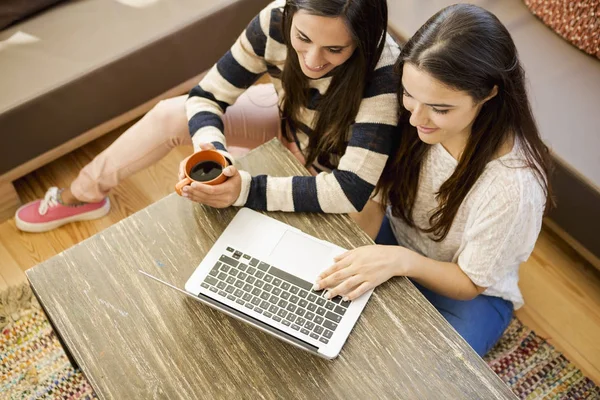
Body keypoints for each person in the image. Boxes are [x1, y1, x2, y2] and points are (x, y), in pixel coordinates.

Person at [15, 0, 400, 232]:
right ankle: (80, 196)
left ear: (363, 40)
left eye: (334, 49)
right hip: (289, 125)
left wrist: (245, 188)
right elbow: (206, 96)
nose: (313, 61)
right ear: (291, 14)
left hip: (350, 179)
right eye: (303, 39)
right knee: (170, 114)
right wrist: (214, 153)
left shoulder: (383, 72)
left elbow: (351, 190)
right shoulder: (273, 22)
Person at [314, 4, 554, 356]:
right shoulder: (412, 111)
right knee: (328, 316)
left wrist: (399, 261)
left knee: (421, 375)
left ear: (489, 93)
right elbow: (373, 197)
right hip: (396, 236)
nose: (417, 119)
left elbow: (470, 281)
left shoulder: (513, 188)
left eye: (440, 109)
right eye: (410, 95)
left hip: (468, 293)